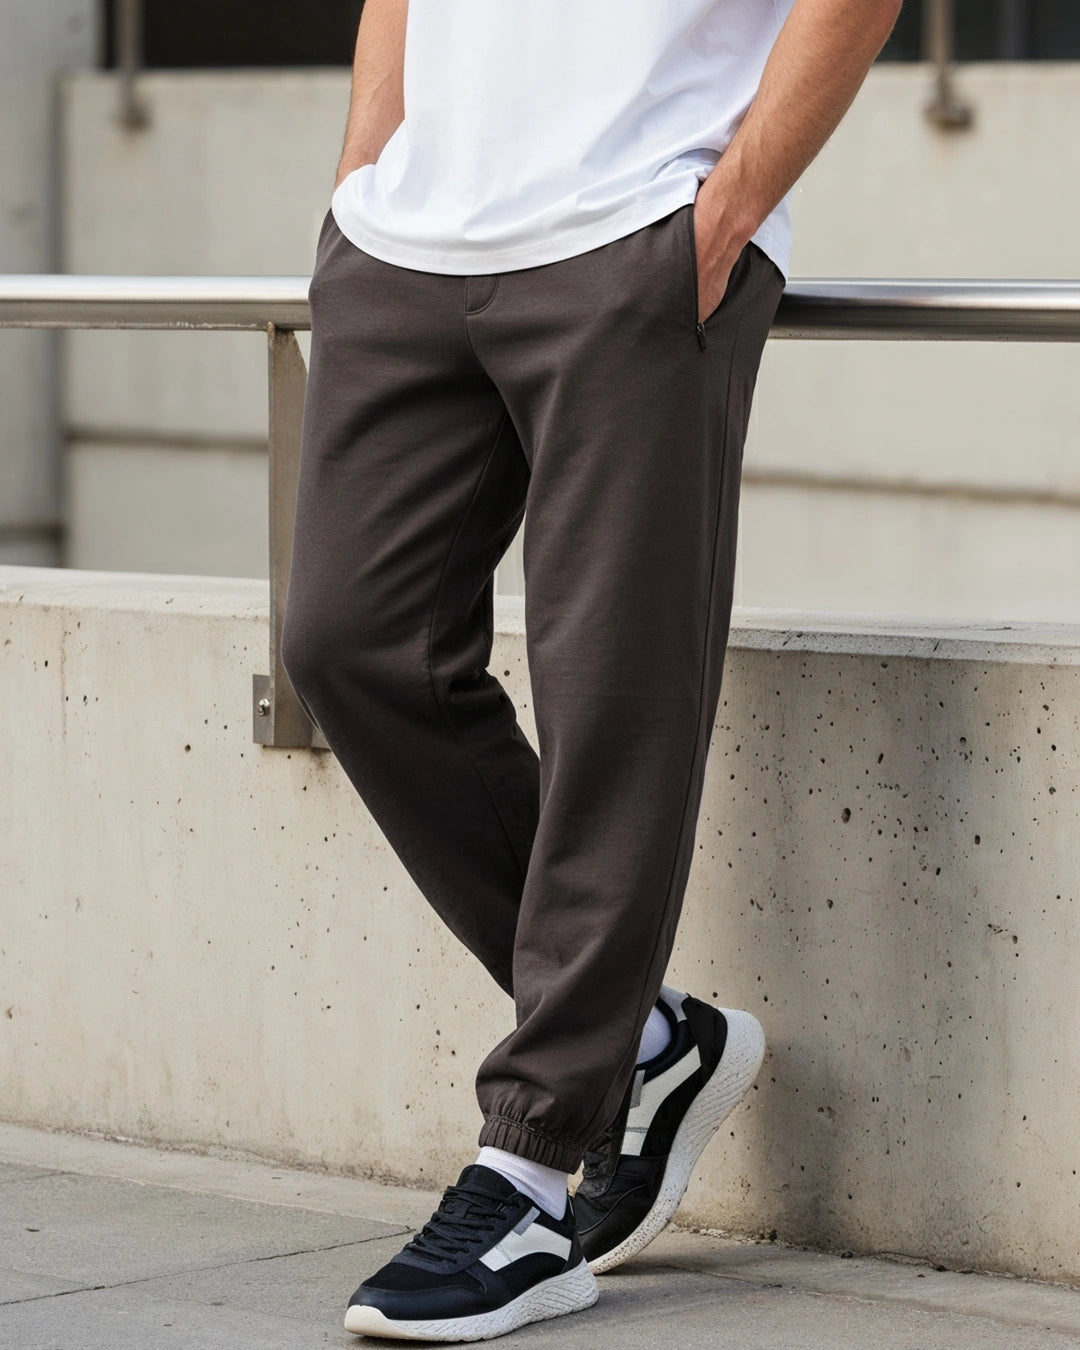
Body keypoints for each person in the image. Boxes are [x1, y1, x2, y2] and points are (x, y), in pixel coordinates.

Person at [280, 0, 900, 1339]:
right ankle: (652, 1046)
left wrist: (727, 209)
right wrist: (365, 171)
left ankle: (529, 1172)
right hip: (408, 236)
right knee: (348, 640)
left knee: (614, 697)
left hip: (641, 220)